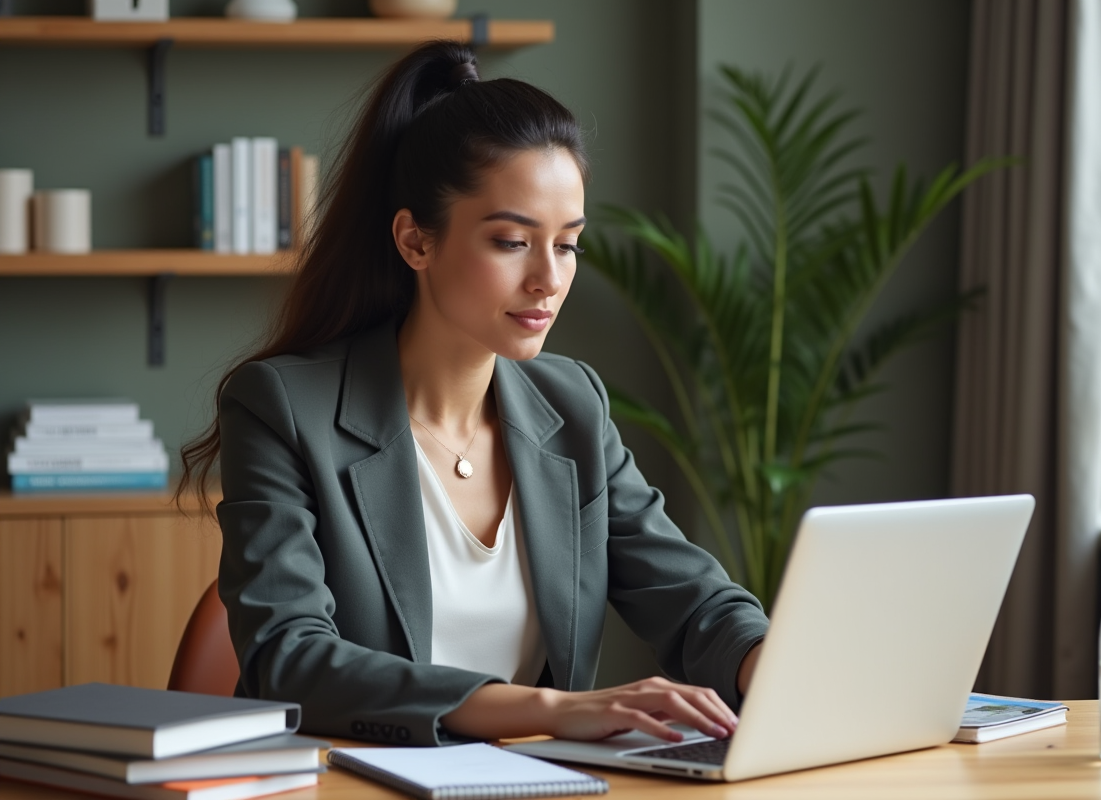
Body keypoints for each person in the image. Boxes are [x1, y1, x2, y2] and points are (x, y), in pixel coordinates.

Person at [179, 40, 768, 748]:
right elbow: (290, 659)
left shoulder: (573, 406)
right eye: (513, 242)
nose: (549, 279)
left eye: (568, 243)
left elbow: (693, 602)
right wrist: (550, 710)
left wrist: (774, 666)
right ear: (415, 241)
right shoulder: (281, 407)